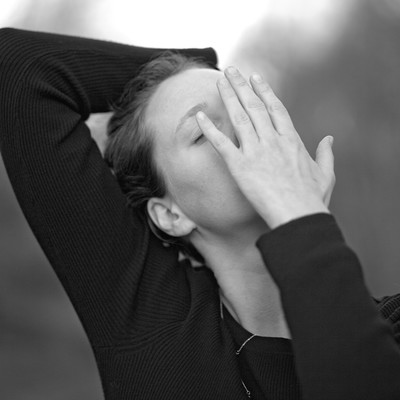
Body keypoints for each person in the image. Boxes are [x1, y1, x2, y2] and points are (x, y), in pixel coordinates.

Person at [0, 28, 399, 400]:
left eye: (247, 108)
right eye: (203, 130)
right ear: (169, 214)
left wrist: (301, 218)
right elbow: (17, 65)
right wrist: (197, 62)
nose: (246, 131)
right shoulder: (154, 323)